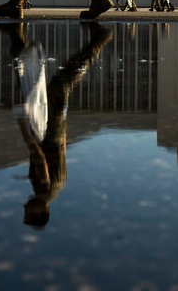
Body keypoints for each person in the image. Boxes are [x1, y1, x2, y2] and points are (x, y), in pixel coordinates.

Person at [10, 21, 112, 227]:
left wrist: (63, 125)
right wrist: (24, 130)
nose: (25, 208)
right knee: (60, 83)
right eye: (28, 214)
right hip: (48, 133)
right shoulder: (43, 191)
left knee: (43, 86)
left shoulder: (57, 189)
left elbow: (63, 151)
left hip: (57, 133)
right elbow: (39, 157)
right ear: (40, 213)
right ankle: (97, 44)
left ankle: (18, 38)